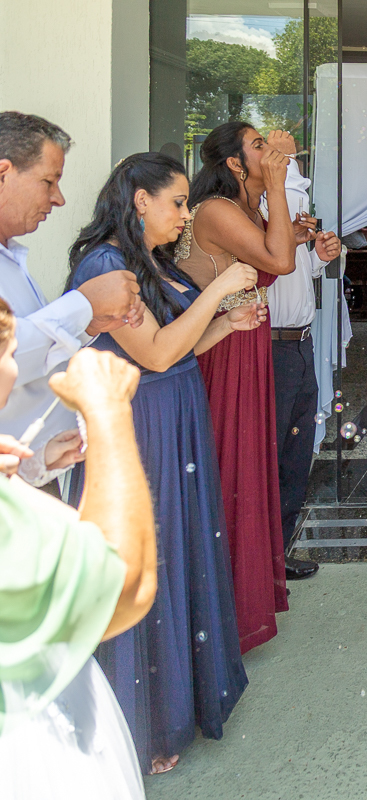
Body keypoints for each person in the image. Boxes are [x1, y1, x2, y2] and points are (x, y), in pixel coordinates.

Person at [64, 152, 261, 773]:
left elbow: (177, 348)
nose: (185, 216)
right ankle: (138, 724)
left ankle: (175, 703)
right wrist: (221, 290)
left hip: (175, 416)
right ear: (139, 200)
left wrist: (225, 325)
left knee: (175, 549)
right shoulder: (106, 266)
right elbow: (151, 354)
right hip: (138, 426)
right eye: (177, 203)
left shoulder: (151, 262)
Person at [0, 317, 157, 799]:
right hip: (32, 747)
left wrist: (26, 472)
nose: (14, 369)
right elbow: (124, 590)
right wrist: (108, 414)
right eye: (8, 353)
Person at [175, 120, 296, 653]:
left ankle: (243, 602)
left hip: (248, 343)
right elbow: (278, 261)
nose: (269, 150)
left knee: (250, 466)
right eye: (258, 145)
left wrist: (302, 232)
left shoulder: (246, 209)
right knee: (231, 469)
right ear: (233, 163)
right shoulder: (216, 210)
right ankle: (220, 612)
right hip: (221, 351)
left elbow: (279, 252)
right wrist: (278, 185)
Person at [0, 111, 144, 484]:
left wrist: (88, 323)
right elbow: (7, 352)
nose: (58, 198)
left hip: (24, 472)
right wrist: (84, 304)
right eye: (48, 181)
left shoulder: (11, 258)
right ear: (3, 174)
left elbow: (28, 357)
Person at [262, 130, 342, 582]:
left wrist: (317, 258)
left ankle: (279, 551)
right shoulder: (258, 207)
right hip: (271, 343)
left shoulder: (287, 203)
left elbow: (293, 272)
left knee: (295, 457)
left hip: (300, 341)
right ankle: (264, 556)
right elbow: (268, 264)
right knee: (274, 455)